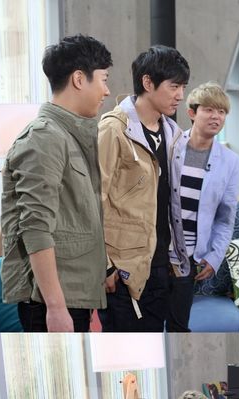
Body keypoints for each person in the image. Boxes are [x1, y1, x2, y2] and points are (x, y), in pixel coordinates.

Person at [0, 34, 113, 332]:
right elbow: (35, 227)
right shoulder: (45, 137)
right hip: (51, 303)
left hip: (75, 295)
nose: (107, 90)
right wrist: (56, 307)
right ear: (79, 79)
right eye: (103, 80)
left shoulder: (71, 135)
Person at [98, 45, 190, 332]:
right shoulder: (113, 130)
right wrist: (106, 266)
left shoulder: (173, 134)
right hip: (123, 268)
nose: (180, 95)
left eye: (183, 87)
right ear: (148, 83)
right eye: (174, 86)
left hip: (161, 265)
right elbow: (93, 201)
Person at [167, 81, 239, 331]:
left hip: (189, 257)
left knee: (179, 326)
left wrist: (215, 256)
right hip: (158, 251)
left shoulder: (230, 161)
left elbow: (226, 217)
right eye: (209, 110)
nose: (216, 117)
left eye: (221, 112)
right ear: (192, 112)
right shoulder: (170, 146)